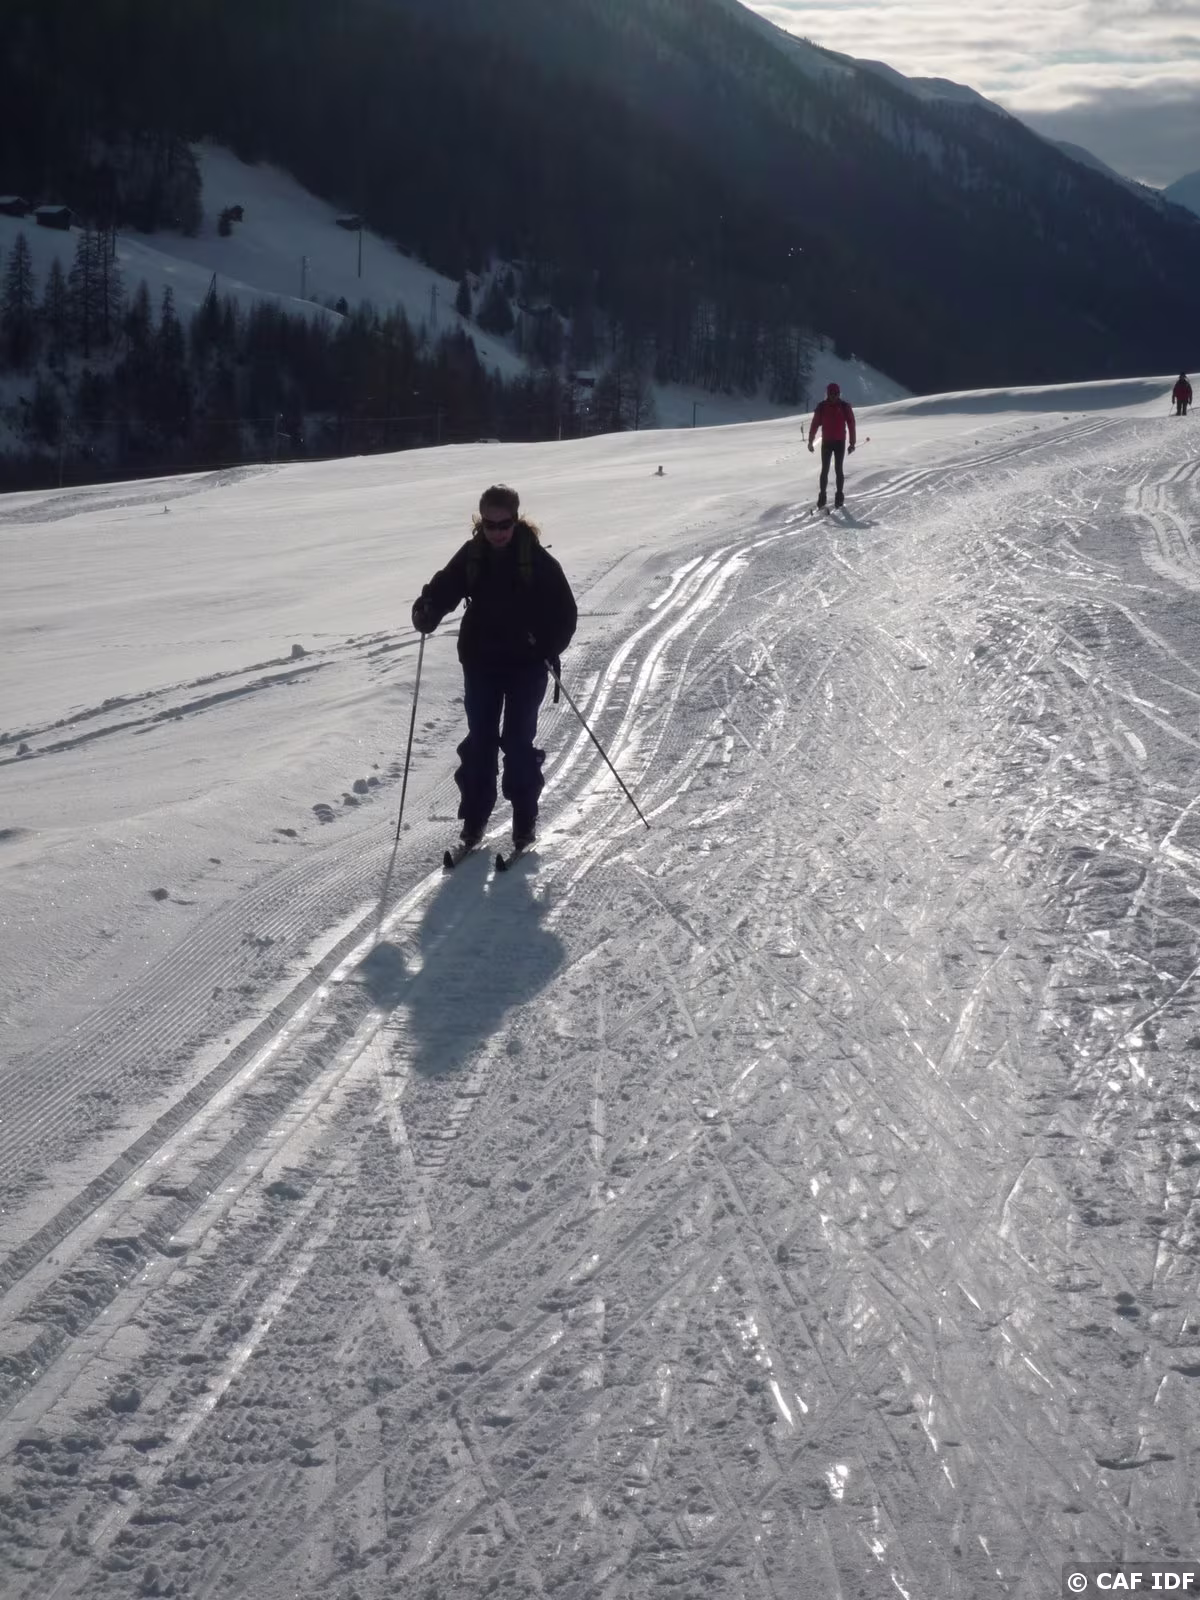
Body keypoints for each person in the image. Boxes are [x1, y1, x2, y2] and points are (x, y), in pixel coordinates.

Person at [411, 484, 578, 851]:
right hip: (481, 660)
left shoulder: (537, 561)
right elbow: (445, 588)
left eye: (504, 525)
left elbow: (565, 614)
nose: (497, 532)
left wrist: (546, 645)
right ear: (481, 522)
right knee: (481, 741)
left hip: (526, 666)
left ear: (516, 521)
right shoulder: (472, 555)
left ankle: (524, 819)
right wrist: (427, 610)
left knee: (517, 743)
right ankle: (474, 819)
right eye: (490, 525)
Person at [808, 381, 857, 508]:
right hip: (827, 442)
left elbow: (851, 425)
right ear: (828, 394)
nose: (834, 396)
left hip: (839, 442)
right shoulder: (822, 407)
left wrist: (852, 443)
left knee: (838, 469)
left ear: (839, 394)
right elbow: (814, 424)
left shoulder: (844, 407)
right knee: (825, 470)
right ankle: (822, 497)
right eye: (831, 393)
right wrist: (810, 441)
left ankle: (839, 497)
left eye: (836, 393)